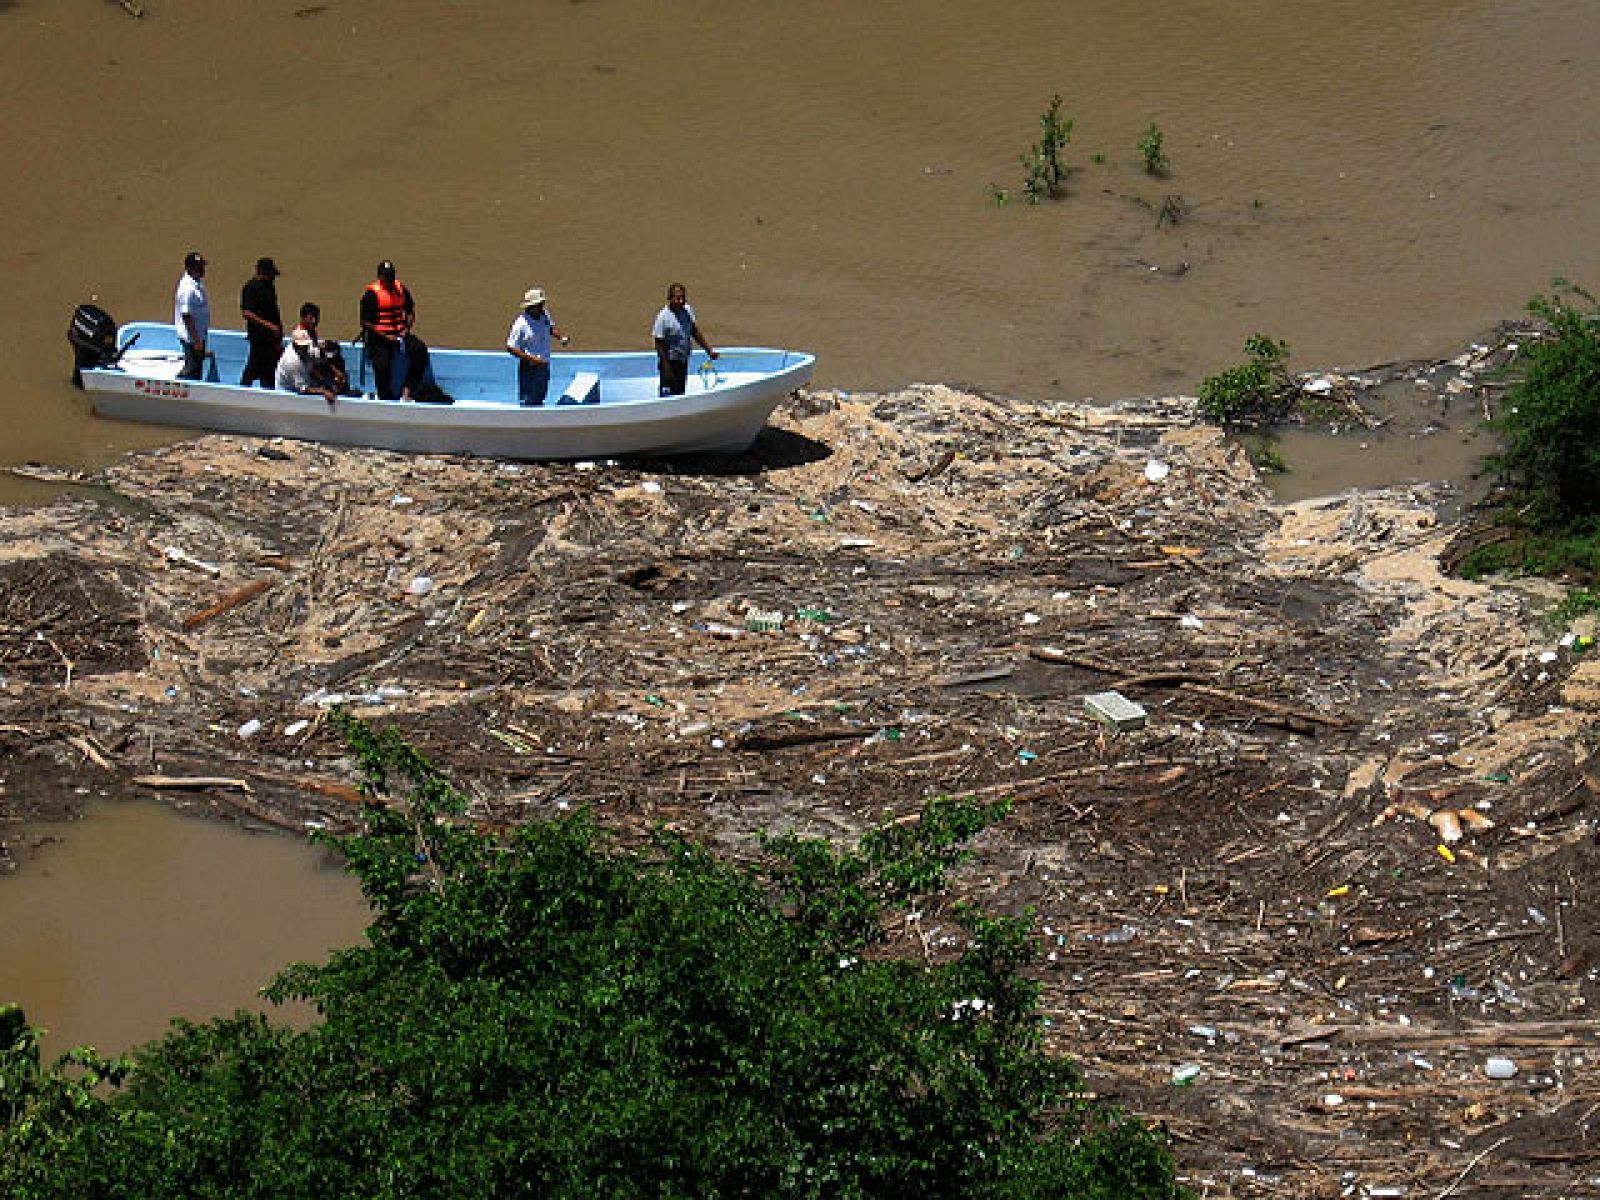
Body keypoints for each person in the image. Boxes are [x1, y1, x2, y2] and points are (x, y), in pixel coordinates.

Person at [359, 260, 430, 401]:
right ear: (380, 277)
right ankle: (385, 397)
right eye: (386, 276)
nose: (390, 279)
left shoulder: (401, 289)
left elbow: (410, 310)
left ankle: (408, 388)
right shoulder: (371, 295)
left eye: (392, 275)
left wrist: (407, 328)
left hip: (400, 334)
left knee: (420, 350)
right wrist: (385, 336)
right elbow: (365, 323)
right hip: (379, 338)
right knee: (382, 365)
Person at [505, 287, 569, 406]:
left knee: (540, 396)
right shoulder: (521, 324)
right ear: (531, 306)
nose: (542, 307)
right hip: (530, 368)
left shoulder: (544, 315)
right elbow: (511, 347)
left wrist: (561, 337)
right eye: (539, 304)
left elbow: (550, 328)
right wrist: (533, 359)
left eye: (542, 304)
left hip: (544, 365)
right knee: (528, 399)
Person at [652, 281, 717, 397]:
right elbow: (659, 344)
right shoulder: (663, 317)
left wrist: (709, 350)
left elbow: (694, 331)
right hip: (670, 362)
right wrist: (666, 368)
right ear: (670, 298)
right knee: (668, 393)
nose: (681, 301)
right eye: (677, 298)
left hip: (683, 359)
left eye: (683, 298)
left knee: (680, 391)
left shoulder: (687, 310)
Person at [238, 257, 283, 388]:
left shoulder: (269, 287)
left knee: (269, 370)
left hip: (271, 338)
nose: (273, 278)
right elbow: (247, 313)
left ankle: (267, 392)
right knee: (253, 367)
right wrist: (268, 326)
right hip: (259, 337)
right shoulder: (251, 288)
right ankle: (242, 391)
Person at [173, 250, 210, 381]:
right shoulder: (187, 289)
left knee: (196, 367)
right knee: (192, 369)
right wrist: (197, 342)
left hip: (198, 336)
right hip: (191, 339)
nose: (202, 270)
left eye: (202, 266)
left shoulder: (196, 284)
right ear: (189, 268)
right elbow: (187, 316)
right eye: (198, 267)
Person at [275, 326, 336, 405]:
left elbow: (312, 365)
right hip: (288, 391)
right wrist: (324, 392)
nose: (305, 348)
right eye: (302, 346)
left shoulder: (307, 348)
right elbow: (303, 389)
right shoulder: (291, 362)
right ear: (295, 345)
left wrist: (324, 381)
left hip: (303, 377)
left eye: (306, 345)